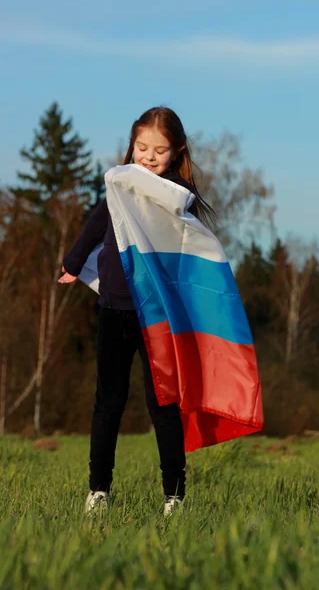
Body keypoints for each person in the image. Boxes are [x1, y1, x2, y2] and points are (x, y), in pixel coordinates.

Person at [59, 107, 216, 516]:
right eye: (141, 147)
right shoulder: (121, 187)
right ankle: (98, 491)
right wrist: (73, 263)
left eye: (159, 150)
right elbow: (97, 223)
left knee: (163, 404)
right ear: (131, 145)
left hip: (158, 316)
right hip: (113, 306)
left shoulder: (179, 197)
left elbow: (191, 251)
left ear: (176, 151)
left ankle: (175, 496)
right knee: (107, 400)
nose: (148, 156)